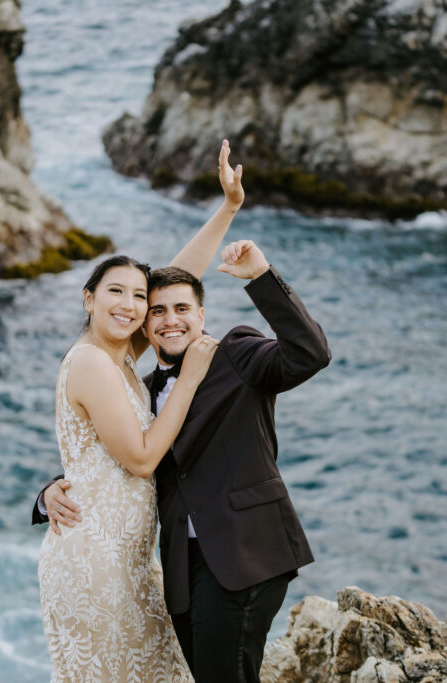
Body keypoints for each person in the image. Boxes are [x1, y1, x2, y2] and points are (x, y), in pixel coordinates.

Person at [36, 240, 331, 682]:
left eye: (182, 309)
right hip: (178, 569)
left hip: (243, 553)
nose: (170, 319)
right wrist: (50, 492)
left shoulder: (237, 354)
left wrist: (260, 274)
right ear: (145, 326)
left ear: (201, 316)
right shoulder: (142, 385)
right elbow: (115, 454)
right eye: (157, 311)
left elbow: (310, 353)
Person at [37, 142, 245, 682]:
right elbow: (142, 458)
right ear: (88, 298)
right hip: (95, 563)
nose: (130, 305)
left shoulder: (120, 356)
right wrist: (192, 375)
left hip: (128, 559)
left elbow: (180, 276)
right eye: (116, 292)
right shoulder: (91, 363)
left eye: (138, 297)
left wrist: (227, 208)